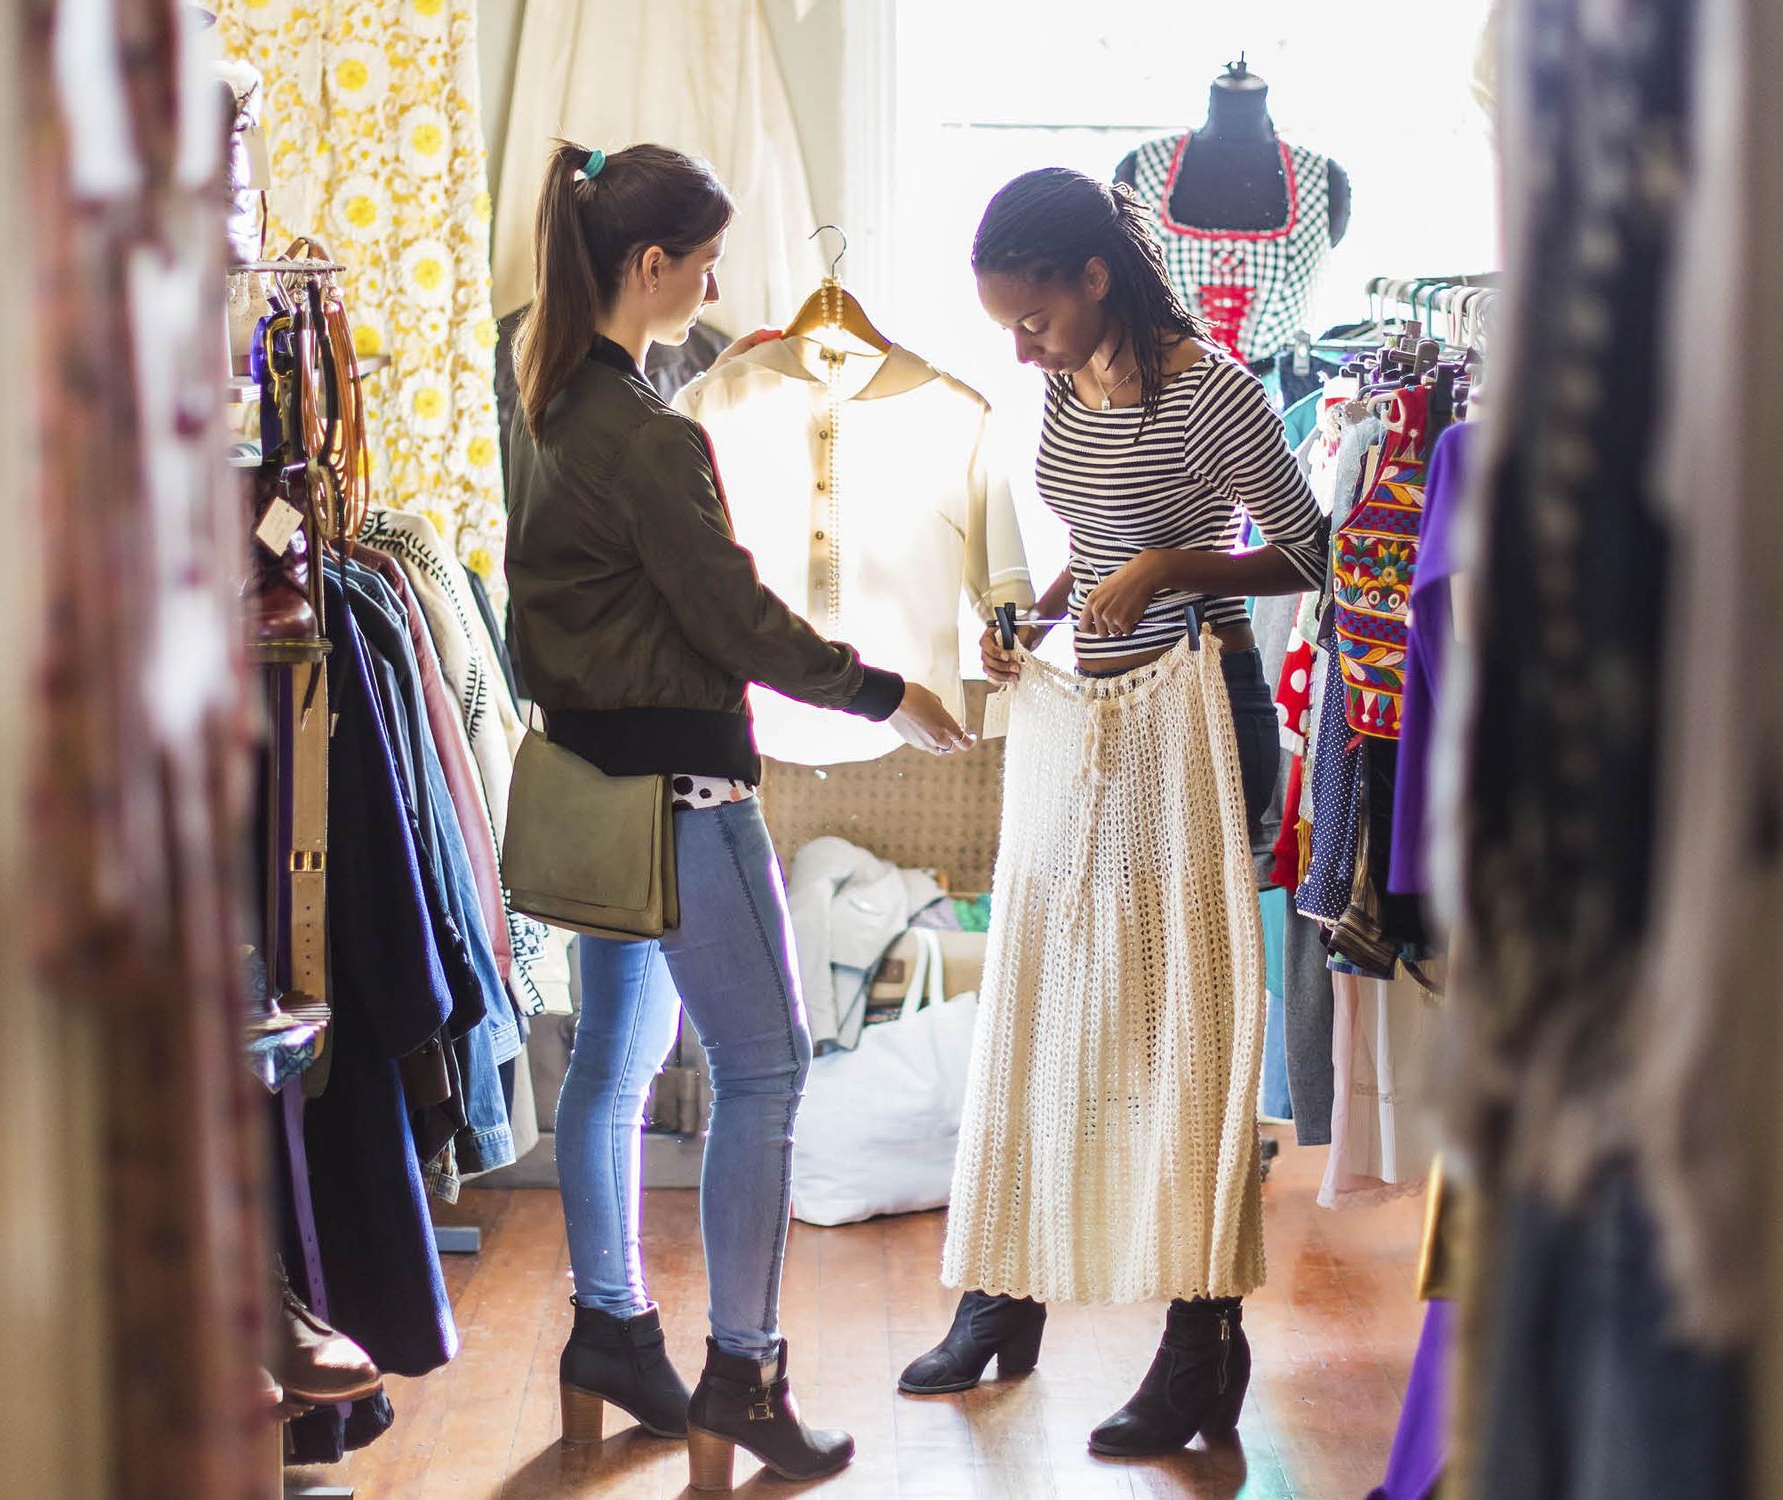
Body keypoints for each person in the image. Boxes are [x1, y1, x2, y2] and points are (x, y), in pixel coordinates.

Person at [503, 140, 972, 1490]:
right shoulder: (649, 435)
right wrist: (885, 691)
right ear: (649, 267)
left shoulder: (537, 393)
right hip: (684, 797)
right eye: (704, 260)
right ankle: (743, 1378)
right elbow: (734, 619)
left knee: (607, 1069)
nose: (717, 281)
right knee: (764, 1075)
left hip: (592, 789)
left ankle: (611, 1333)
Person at [899, 166, 1329, 1456]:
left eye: (1032, 319)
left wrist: (1173, 566)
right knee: (1041, 1001)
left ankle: (1203, 1344)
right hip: (1087, 722)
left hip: (1203, 714)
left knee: (1182, 1029)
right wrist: (1033, 618)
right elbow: (1091, 549)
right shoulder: (1059, 389)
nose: (1022, 349)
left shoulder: (1213, 393)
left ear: (1094, 277)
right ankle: (1005, 1291)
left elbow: (1313, 548)